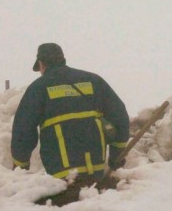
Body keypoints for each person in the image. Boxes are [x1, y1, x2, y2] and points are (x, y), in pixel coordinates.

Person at [11, 43, 130, 184]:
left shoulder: (39, 88)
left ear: (41, 64)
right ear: (62, 59)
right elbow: (120, 117)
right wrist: (117, 154)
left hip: (61, 175)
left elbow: (23, 130)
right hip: (96, 169)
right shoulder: (94, 81)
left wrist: (20, 167)